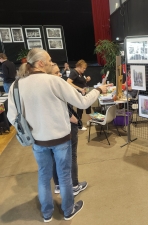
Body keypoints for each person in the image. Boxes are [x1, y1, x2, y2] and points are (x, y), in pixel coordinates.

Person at [7, 48, 107, 222]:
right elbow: (82, 103)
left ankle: (47, 214)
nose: (52, 62)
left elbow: (11, 116)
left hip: (37, 141)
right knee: (64, 175)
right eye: (49, 59)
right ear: (40, 63)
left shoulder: (16, 85)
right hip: (61, 139)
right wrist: (99, 90)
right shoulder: (53, 81)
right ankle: (68, 210)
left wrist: (32, 125)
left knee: (44, 176)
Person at [51, 63, 87, 196]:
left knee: (55, 157)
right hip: (65, 127)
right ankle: (75, 185)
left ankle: (59, 185)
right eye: (56, 72)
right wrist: (75, 120)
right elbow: (65, 108)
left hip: (52, 129)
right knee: (71, 156)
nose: (60, 74)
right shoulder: (57, 87)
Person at [67, 60, 91, 131]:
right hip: (78, 93)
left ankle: (89, 120)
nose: (84, 69)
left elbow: (81, 81)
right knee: (80, 108)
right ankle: (79, 125)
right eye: (83, 68)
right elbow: (68, 82)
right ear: (79, 67)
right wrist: (80, 89)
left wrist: (86, 80)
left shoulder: (81, 73)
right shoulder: (74, 72)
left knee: (88, 105)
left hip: (83, 92)